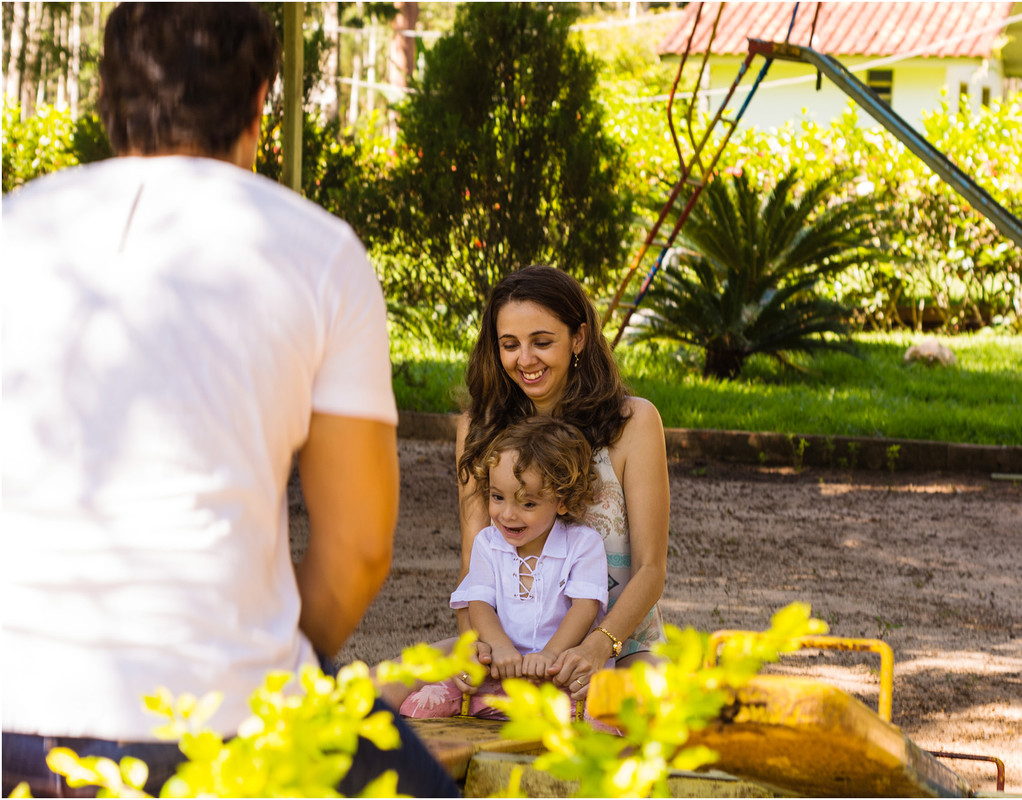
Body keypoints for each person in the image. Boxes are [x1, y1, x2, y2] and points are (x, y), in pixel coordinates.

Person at [1, 4, 456, 797]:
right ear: (259, 103)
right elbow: (358, 547)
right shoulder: (318, 250)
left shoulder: (16, 228)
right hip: (221, 723)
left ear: (106, 99)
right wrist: (273, 663)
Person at [454, 265, 671, 703]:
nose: (525, 360)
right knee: (387, 688)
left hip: (620, 647)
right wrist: (472, 645)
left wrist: (595, 646)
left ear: (579, 338)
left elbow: (651, 570)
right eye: (509, 345)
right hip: (509, 650)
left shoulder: (635, 424)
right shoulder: (479, 427)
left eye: (542, 341)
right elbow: (473, 564)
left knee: (658, 718)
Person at [400, 417, 609, 719]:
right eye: (497, 497)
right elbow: (479, 603)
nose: (507, 515)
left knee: (604, 715)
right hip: (500, 673)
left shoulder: (583, 544)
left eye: (527, 504)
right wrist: (499, 648)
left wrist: (549, 655)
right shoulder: (488, 543)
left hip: (558, 675)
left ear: (561, 501)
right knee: (420, 705)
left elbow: (584, 609)